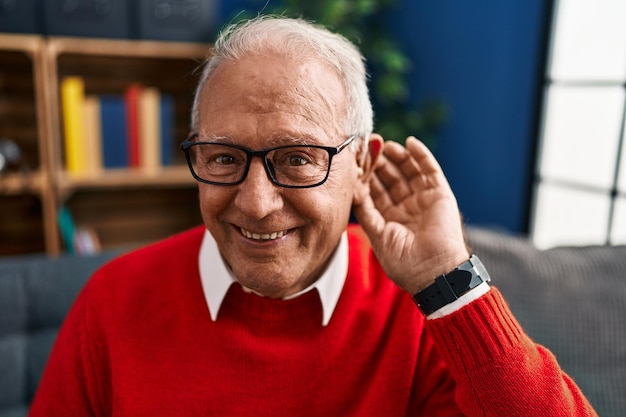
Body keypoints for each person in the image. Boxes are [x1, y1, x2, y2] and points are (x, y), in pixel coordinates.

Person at [30, 16, 597, 416]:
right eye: (224, 158)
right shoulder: (112, 302)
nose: (254, 203)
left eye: (297, 159)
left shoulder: (424, 311)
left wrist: (449, 280)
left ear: (362, 166)